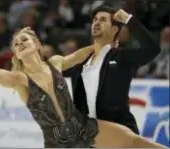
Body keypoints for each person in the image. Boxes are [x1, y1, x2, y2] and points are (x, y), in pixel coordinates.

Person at [0, 26, 166, 148]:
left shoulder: (54, 63)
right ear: (16, 55)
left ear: (37, 45)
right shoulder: (21, 80)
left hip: (84, 127)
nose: (20, 43)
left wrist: (102, 46)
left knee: (133, 142)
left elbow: (77, 56)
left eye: (24, 39)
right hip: (58, 143)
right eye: (16, 44)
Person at [64, 6, 161, 135]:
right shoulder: (79, 63)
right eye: (95, 19)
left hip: (119, 133)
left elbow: (152, 49)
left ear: (114, 29)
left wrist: (129, 20)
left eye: (103, 20)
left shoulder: (122, 57)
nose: (97, 22)